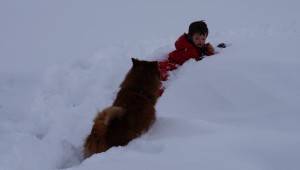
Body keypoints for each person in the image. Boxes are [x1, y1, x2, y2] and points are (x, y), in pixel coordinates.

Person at [158, 20, 215, 96]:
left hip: (173, 64)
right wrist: (209, 52)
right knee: (162, 81)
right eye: (197, 38)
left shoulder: (195, 46)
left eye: (203, 39)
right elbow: (200, 58)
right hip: (170, 64)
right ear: (191, 37)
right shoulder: (190, 50)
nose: (200, 41)